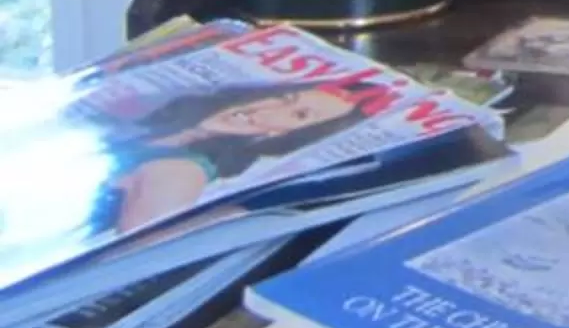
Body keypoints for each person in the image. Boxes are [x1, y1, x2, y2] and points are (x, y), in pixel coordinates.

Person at [108, 72, 399, 235]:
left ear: (283, 135)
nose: (263, 110)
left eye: (298, 115)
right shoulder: (152, 127)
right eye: (284, 98)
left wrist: (223, 217)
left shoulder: (179, 171)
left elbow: (128, 255)